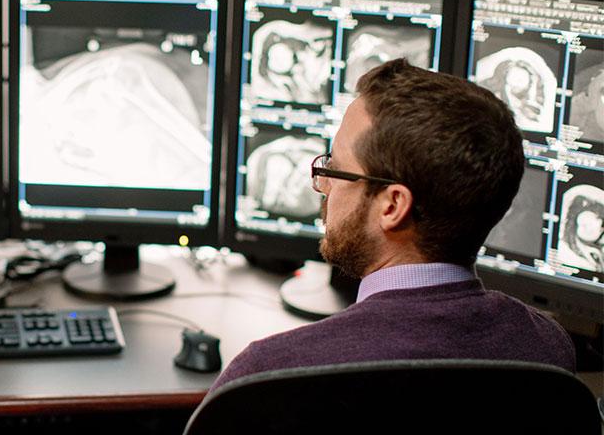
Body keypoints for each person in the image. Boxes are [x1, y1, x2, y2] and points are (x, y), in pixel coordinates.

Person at [212, 58, 576, 391]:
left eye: (334, 170)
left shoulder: (269, 376)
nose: (321, 185)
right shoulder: (547, 350)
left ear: (393, 205)